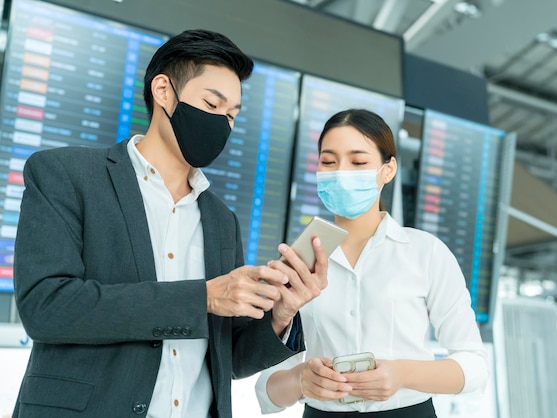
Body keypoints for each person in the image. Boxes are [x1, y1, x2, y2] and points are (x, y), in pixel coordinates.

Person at [12, 29, 328, 418]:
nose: (223, 124)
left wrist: (281, 314)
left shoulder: (221, 221)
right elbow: (47, 308)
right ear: (163, 91)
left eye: (231, 115)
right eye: (212, 104)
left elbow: (227, 360)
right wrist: (204, 298)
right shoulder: (65, 174)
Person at [255, 109, 488, 418]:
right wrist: (301, 379)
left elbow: (474, 366)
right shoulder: (299, 261)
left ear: (388, 170)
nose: (341, 172)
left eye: (359, 162)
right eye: (328, 162)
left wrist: (403, 374)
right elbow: (267, 392)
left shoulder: (425, 252)